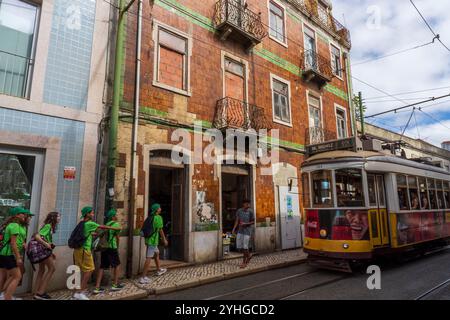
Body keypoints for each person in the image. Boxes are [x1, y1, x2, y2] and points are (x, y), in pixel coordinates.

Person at [72, 206, 121, 300]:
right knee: (90, 269)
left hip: (77, 250)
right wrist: (114, 228)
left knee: (79, 270)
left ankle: (76, 293)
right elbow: (101, 226)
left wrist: (95, 234)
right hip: (84, 250)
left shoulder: (82, 223)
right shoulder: (90, 223)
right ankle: (80, 293)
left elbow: (88, 233)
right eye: (91, 213)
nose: (93, 214)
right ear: (87, 214)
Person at [0, 207, 33, 300]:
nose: (25, 216)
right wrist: (18, 257)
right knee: (17, 276)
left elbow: (15, 240)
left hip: (4, 253)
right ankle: (7, 297)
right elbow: (13, 243)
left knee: (5, 276)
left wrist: (22, 245)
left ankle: (4, 295)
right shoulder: (14, 225)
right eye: (23, 214)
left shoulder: (11, 224)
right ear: (16, 215)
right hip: (9, 254)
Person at [93, 209, 124, 294]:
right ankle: (115, 284)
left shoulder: (107, 224)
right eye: (115, 215)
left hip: (104, 247)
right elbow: (117, 237)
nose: (117, 216)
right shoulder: (116, 224)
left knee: (102, 266)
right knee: (117, 265)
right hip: (112, 247)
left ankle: (97, 287)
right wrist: (117, 247)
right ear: (113, 216)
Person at [32, 212, 60, 300]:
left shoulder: (50, 227)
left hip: (44, 251)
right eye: (58, 216)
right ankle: (40, 293)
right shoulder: (48, 226)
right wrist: (46, 245)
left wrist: (51, 252)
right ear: (53, 218)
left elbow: (46, 238)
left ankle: (36, 292)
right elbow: (37, 236)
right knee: (52, 269)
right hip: (43, 251)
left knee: (41, 270)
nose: (60, 218)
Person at [139, 203, 168, 284]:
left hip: (148, 240)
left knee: (157, 253)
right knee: (149, 257)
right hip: (153, 241)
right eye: (159, 208)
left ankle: (158, 269)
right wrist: (164, 240)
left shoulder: (149, 217)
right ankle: (143, 277)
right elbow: (160, 230)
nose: (160, 209)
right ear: (156, 210)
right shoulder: (158, 218)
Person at [232, 199, 255, 269]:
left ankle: (244, 263)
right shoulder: (239, 211)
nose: (248, 205)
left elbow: (253, 222)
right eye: (247, 204)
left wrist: (246, 223)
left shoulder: (251, 211)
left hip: (247, 232)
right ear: (243, 204)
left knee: (245, 247)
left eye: (249, 204)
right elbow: (237, 220)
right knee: (239, 247)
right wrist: (233, 229)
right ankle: (249, 255)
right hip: (240, 231)